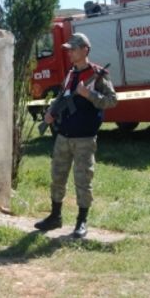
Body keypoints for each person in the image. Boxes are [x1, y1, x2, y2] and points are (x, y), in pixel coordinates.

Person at [34, 32, 117, 238]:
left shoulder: (98, 75)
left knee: (83, 180)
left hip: (84, 138)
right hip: (64, 135)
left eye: (73, 48)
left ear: (85, 50)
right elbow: (63, 97)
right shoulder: (71, 74)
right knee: (57, 177)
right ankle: (55, 217)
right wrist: (51, 113)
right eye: (69, 49)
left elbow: (112, 101)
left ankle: (81, 221)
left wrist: (89, 94)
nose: (69, 52)